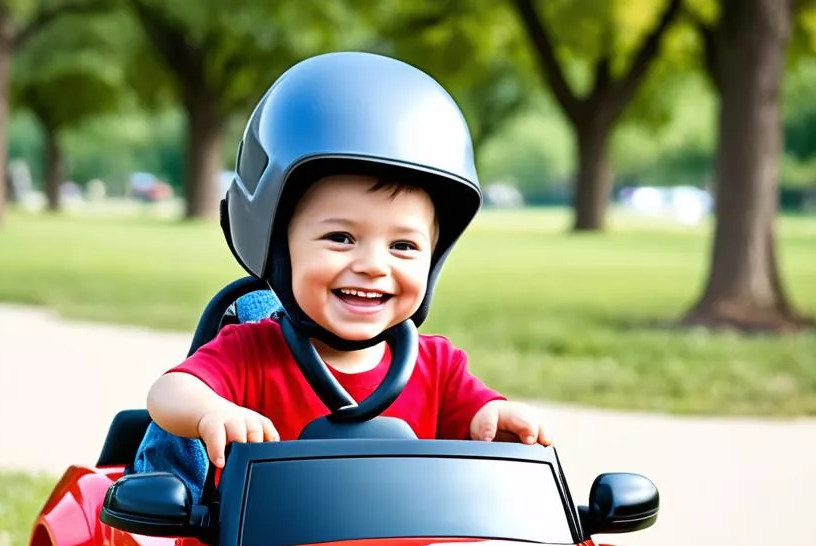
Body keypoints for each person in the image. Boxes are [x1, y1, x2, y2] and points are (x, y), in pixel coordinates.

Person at [145, 52, 553, 473]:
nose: (374, 265)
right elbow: (168, 392)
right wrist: (211, 412)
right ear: (278, 247)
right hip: (267, 518)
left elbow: (482, 422)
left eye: (403, 246)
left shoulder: (438, 368)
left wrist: (496, 418)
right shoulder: (250, 352)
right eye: (341, 238)